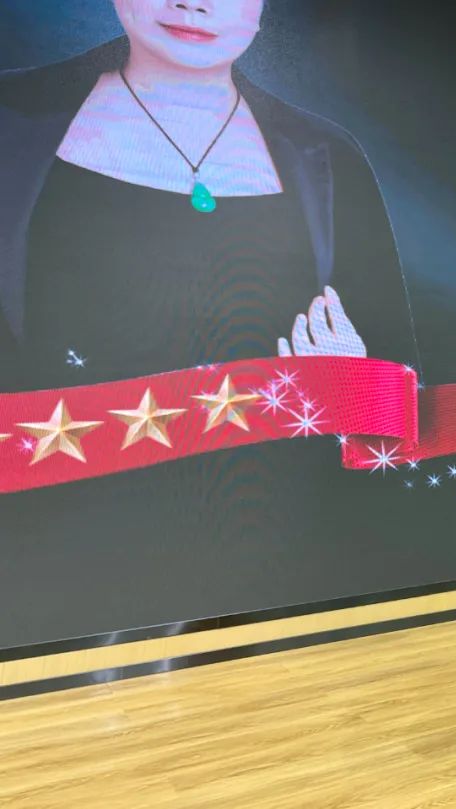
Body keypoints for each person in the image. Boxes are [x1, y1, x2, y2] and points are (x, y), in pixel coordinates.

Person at [0, 1, 417, 640]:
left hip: (270, 544)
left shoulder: (326, 156)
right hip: (50, 552)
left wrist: (351, 385)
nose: (194, 4)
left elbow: (400, 397)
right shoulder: (13, 115)